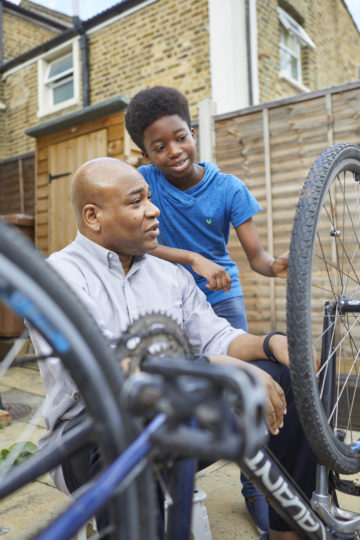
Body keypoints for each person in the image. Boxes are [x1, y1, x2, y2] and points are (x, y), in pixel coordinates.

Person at [30, 158, 316, 540]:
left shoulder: (169, 273)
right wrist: (224, 368)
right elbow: (111, 373)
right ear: (93, 217)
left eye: (149, 197)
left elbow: (215, 336)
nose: (154, 209)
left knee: (283, 375)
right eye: (136, 202)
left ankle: (287, 532)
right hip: (89, 442)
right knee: (127, 431)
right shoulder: (59, 276)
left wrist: (270, 342)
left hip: (173, 418)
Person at [125, 85, 289, 536]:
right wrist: (193, 258)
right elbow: (146, 243)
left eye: (180, 137)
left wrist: (274, 265)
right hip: (165, 295)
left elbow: (255, 258)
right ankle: (173, 470)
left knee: (245, 387)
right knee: (185, 382)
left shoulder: (229, 188)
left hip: (220, 298)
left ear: (193, 132)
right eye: (158, 147)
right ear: (145, 153)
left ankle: (259, 485)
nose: (173, 151)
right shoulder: (143, 183)